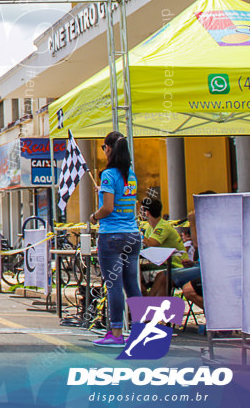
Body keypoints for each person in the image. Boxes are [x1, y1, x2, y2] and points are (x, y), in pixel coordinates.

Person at [88, 132, 141, 346]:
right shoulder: (131, 175)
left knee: (114, 285)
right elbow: (125, 202)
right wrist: (103, 191)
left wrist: (93, 216)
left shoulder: (108, 174)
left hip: (111, 235)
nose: (103, 151)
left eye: (103, 147)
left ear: (109, 149)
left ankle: (116, 333)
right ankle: (138, 332)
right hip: (132, 234)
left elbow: (108, 208)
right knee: (132, 284)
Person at [137, 197, 186, 296]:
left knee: (158, 276)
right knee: (134, 272)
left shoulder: (163, 226)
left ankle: (147, 303)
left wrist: (136, 232)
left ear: (146, 213)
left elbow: (151, 243)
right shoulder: (150, 228)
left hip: (176, 263)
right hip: (162, 263)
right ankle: (144, 298)